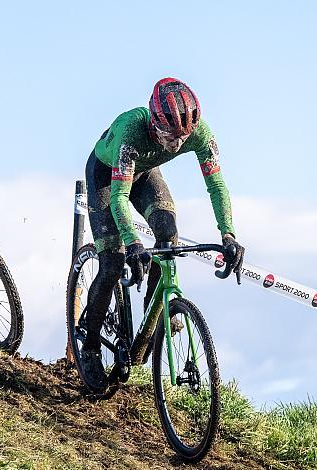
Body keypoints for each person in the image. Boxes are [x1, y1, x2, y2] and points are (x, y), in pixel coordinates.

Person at [81, 77, 245, 390]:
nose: (177, 144)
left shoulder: (200, 133)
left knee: (168, 234)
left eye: (184, 136)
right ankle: (88, 348)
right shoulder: (132, 130)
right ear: (155, 121)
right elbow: (117, 197)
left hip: (145, 173)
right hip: (107, 176)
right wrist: (131, 243)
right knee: (113, 263)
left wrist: (229, 235)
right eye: (170, 135)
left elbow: (217, 185)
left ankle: (151, 324)